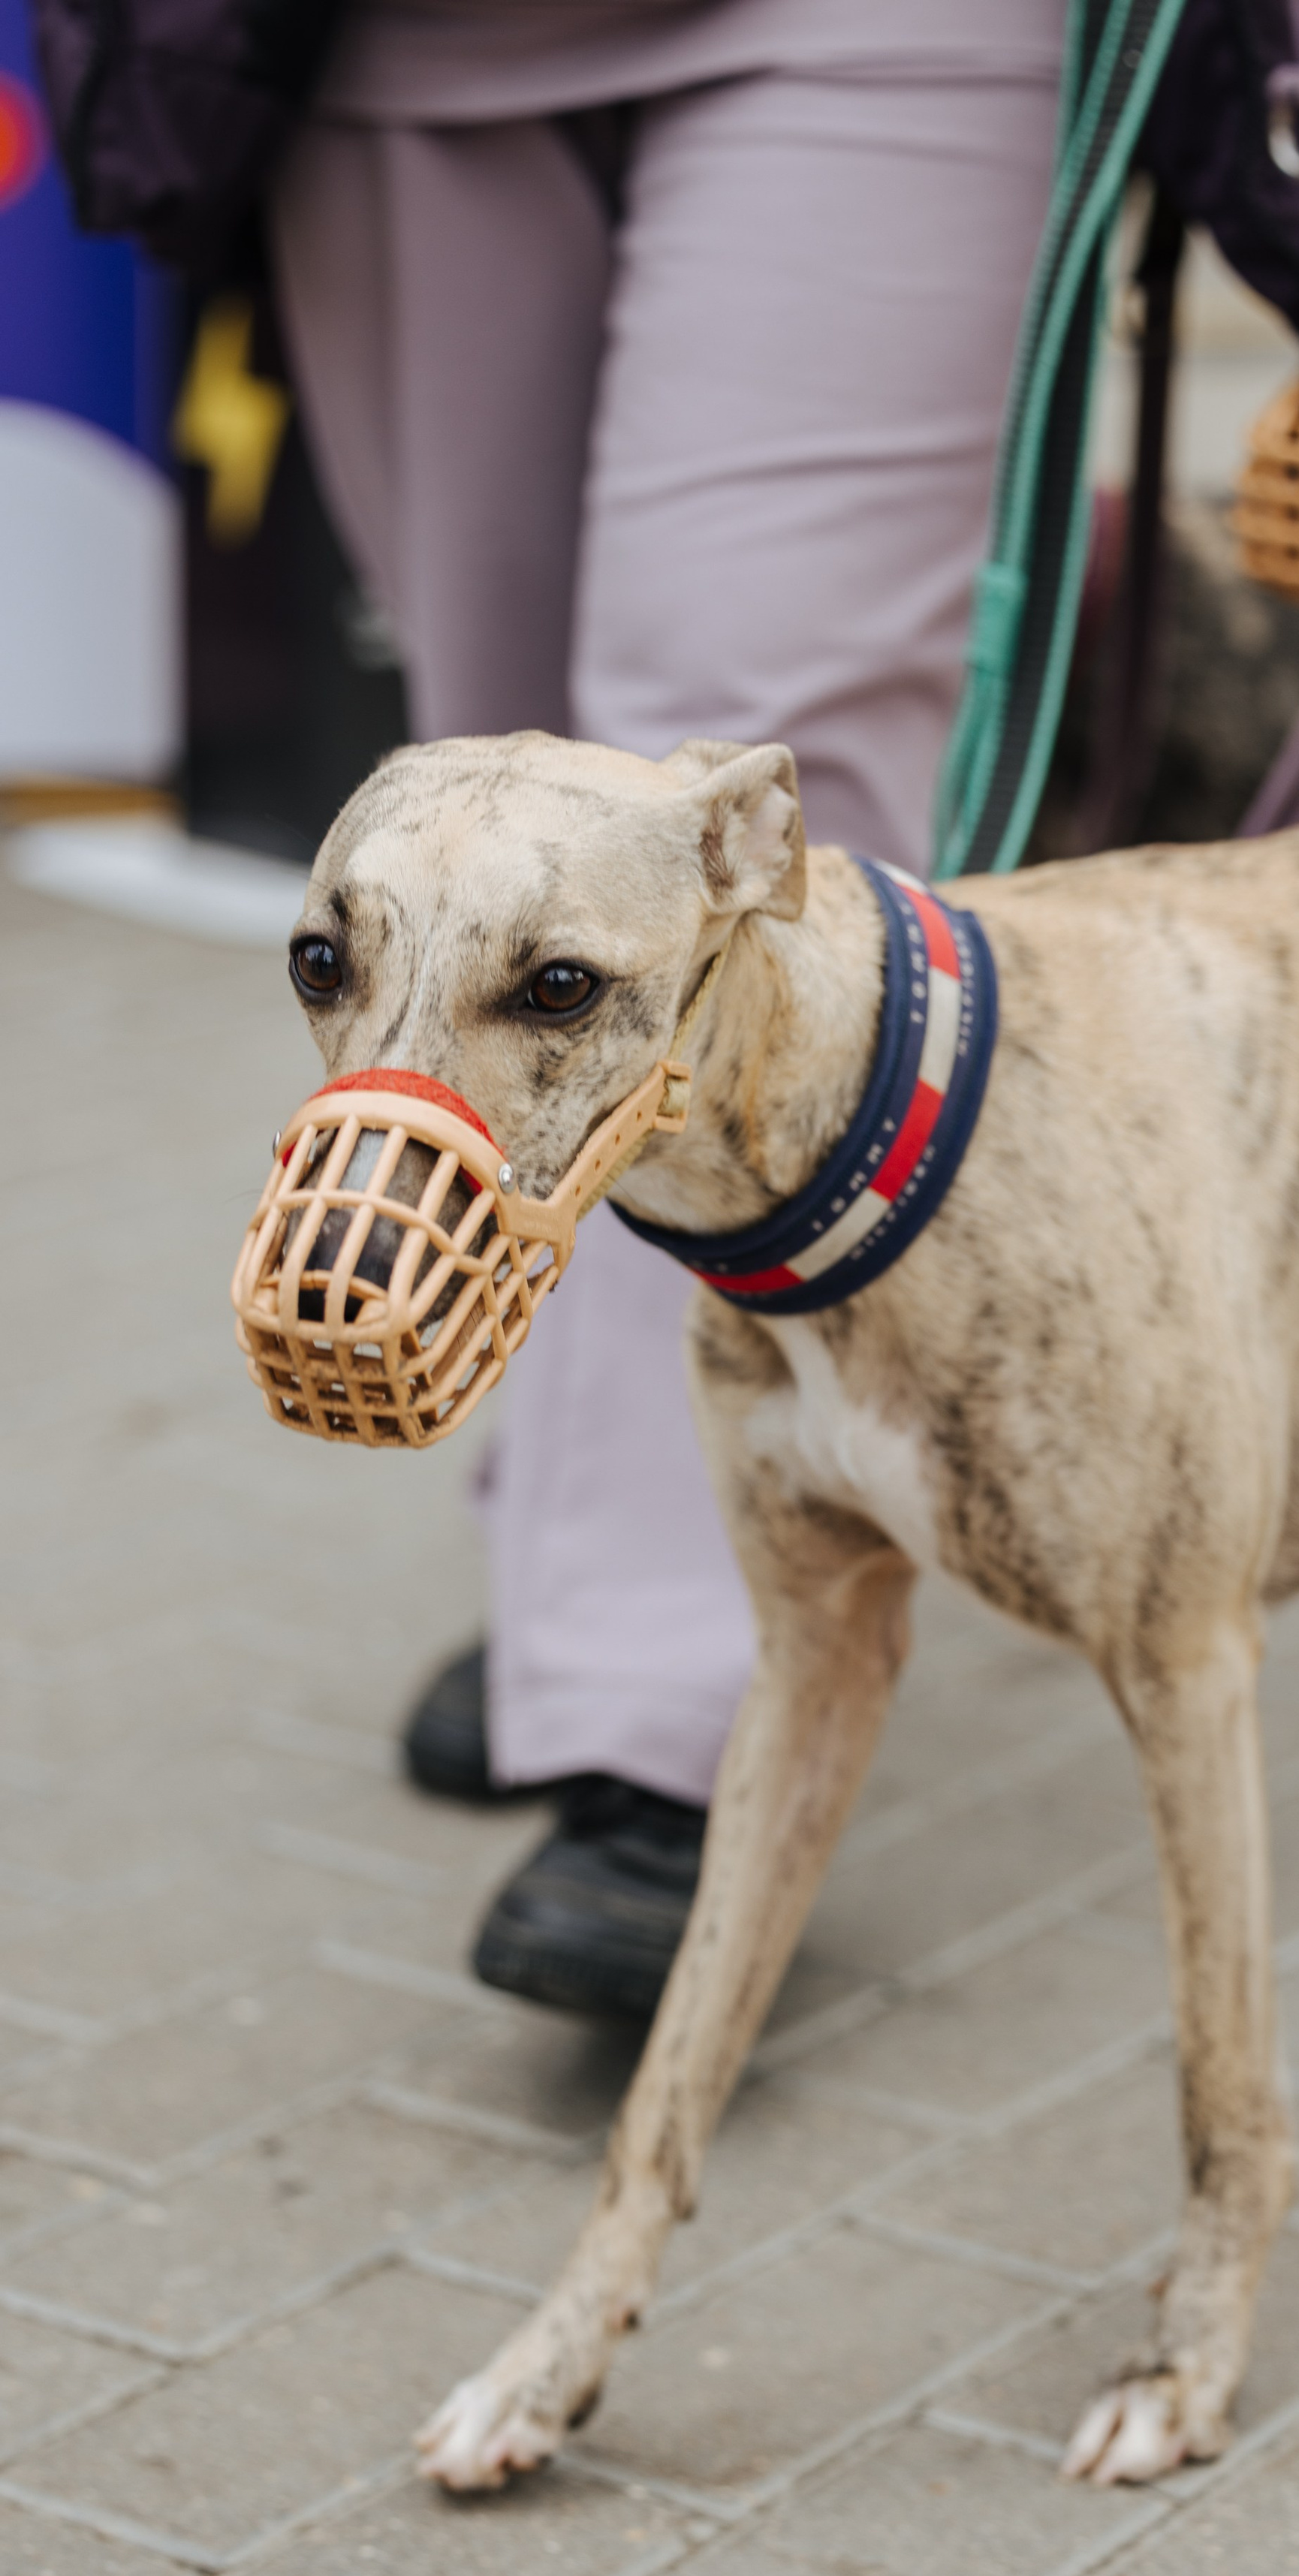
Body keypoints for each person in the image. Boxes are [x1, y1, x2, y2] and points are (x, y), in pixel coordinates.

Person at [269, 0, 1066, 2017]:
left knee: (737, 837)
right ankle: (580, 1534)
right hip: (391, 42)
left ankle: (672, 1673)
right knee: (468, 809)